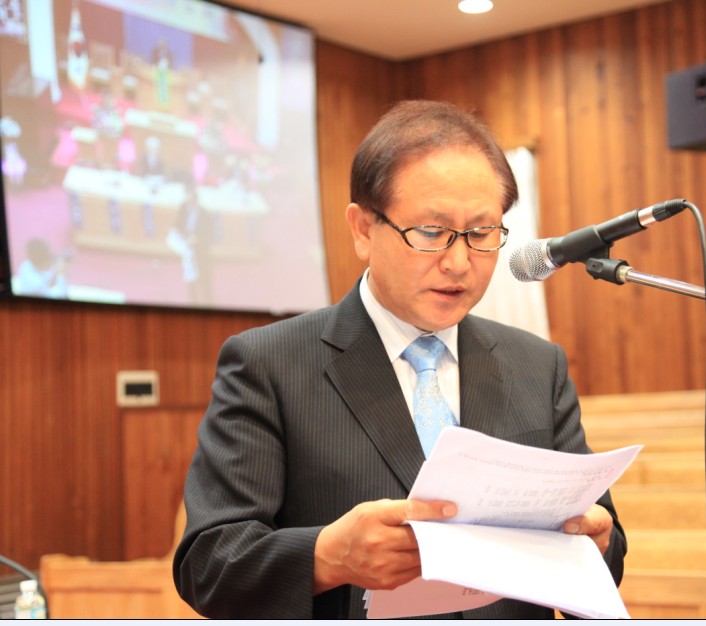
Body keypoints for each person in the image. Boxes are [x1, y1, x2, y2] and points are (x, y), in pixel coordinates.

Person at [172, 100, 627, 619]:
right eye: (431, 232)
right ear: (363, 230)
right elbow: (208, 564)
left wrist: (598, 540)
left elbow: (604, 547)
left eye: (481, 234)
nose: (459, 262)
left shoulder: (537, 366)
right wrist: (327, 557)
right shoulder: (268, 365)